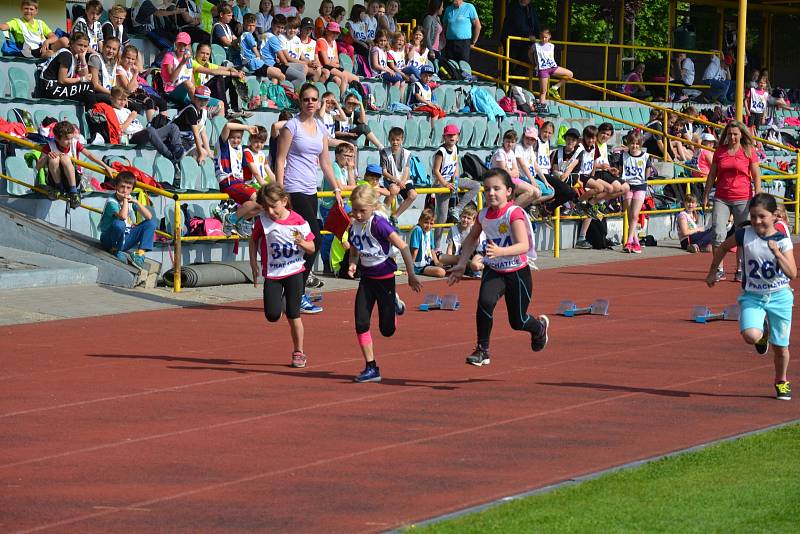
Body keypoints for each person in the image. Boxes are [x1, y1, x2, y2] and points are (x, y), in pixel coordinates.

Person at [447, 168, 548, 366]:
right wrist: (460, 264)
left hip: (517, 272)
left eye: (496, 189)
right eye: (486, 189)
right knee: (484, 302)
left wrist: (501, 251)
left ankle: (539, 328)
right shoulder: (483, 215)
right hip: (494, 269)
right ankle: (482, 350)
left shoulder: (514, 213)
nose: (491, 193)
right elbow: (471, 238)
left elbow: (523, 246)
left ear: (509, 191)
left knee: (517, 321)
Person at [706, 193, 796, 401]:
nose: (756, 221)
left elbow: (792, 273)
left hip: (780, 296)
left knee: (780, 347)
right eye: (753, 216)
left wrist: (778, 253)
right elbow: (723, 248)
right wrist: (713, 271)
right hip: (753, 296)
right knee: (750, 336)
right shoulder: (744, 234)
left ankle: (781, 381)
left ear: (774, 216)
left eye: (762, 217)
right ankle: (762, 333)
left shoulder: (781, 240)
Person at [275, 83, 345, 301]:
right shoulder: (291, 126)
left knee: (306, 241)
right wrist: (279, 191)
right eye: (306, 99)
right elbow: (280, 159)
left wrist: (335, 188)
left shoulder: (321, 127)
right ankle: (297, 293)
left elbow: (325, 161)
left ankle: (296, 291)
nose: (310, 103)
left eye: (314, 99)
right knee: (313, 236)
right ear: (300, 101)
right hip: (293, 187)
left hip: (310, 189)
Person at [347, 184, 422, 383]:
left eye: (362, 211)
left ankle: (395, 304)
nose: (358, 214)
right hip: (366, 280)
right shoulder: (353, 224)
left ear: (373, 207)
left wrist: (411, 275)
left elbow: (403, 246)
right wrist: (353, 264)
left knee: (387, 330)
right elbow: (355, 248)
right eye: (355, 210)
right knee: (361, 322)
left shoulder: (379, 224)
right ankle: (371, 367)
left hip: (385, 278)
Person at [248, 183, 316, 368]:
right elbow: (253, 240)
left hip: (294, 272)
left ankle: (299, 351)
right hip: (273, 273)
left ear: (284, 201)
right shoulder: (263, 221)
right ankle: (284, 301)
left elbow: (312, 248)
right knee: (272, 315)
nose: (270, 211)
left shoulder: (299, 221)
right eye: (266, 207)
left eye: (274, 206)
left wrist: (302, 242)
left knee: (294, 314)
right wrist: (253, 262)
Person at [702, 120, 762, 282]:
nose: (732, 137)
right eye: (729, 134)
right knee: (717, 232)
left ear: (741, 134)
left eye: (735, 134)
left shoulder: (748, 151)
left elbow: (756, 175)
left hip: (743, 197)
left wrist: (758, 196)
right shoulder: (720, 151)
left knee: (742, 235)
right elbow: (712, 174)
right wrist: (706, 194)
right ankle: (719, 268)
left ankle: (741, 269)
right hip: (721, 197)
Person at [432, 123, 481, 248]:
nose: (451, 137)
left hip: (452, 181)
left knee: (476, 185)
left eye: (453, 135)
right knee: (442, 218)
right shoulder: (441, 152)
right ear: (444, 137)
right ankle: (437, 247)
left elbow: (456, 164)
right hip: (441, 184)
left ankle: (458, 208)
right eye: (449, 135)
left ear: (458, 136)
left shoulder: (456, 148)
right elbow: (436, 171)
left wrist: (456, 179)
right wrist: (445, 183)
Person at [111, 87, 185, 163]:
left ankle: (177, 150)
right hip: (130, 138)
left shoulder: (126, 110)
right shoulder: (112, 111)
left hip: (144, 135)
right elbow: (119, 131)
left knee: (173, 127)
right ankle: (170, 156)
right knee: (150, 130)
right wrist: (131, 118)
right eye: (120, 99)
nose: (122, 102)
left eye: (124, 99)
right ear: (112, 99)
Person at [99, 171, 156, 268]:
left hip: (125, 238)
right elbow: (123, 217)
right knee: (119, 223)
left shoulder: (130, 199)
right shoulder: (111, 202)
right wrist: (125, 200)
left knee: (151, 223)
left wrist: (137, 202)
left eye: (128, 188)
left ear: (132, 189)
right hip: (108, 240)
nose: (125, 190)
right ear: (116, 186)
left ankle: (140, 254)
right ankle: (114, 250)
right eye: (122, 186)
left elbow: (149, 217)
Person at [216, 120, 263, 236]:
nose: (236, 140)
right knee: (257, 198)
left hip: (240, 184)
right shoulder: (223, 145)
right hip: (228, 182)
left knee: (264, 203)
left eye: (239, 137)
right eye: (233, 137)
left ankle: (239, 221)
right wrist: (247, 127)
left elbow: (246, 170)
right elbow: (227, 125)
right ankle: (231, 219)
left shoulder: (240, 149)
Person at [35, 32, 96, 107]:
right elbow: (62, 80)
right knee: (88, 87)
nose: (82, 48)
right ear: (72, 43)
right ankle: (92, 113)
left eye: (85, 46)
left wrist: (83, 58)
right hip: (50, 88)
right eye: (80, 45)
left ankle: (90, 113)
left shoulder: (75, 55)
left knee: (88, 90)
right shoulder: (66, 55)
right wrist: (82, 79)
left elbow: (85, 76)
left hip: (59, 87)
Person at [618, 131, 654, 253]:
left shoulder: (645, 156)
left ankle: (629, 240)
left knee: (634, 214)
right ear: (628, 144)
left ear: (640, 144)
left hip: (640, 186)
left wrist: (646, 177)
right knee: (629, 214)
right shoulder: (623, 155)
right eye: (632, 143)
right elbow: (619, 170)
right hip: (627, 185)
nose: (634, 146)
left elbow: (648, 170)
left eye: (637, 144)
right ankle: (636, 241)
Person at [0, 0, 69, 59]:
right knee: (50, 53)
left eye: (31, 9)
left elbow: (54, 37)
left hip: (44, 46)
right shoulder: (16, 22)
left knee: (65, 40)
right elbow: (3, 27)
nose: (28, 11)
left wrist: (47, 41)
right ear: (21, 9)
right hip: (30, 51)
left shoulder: (40, 23)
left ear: (36, 11)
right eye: (26, 8)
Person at [380, 127, 418, 223]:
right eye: (393, 139)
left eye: (397, 140)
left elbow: (407, 170)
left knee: (413, 194)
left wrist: (402, 182)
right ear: (389, 139)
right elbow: (384, 172)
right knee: (393, 189)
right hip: (390, 179)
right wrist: (397, 181)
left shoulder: (407, 153)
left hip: (403, 180)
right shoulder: (384, 152)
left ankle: (395, 215)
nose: (395, 142)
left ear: (402, 140)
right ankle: (382, 213)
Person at [494, 128, 537, 210]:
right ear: (503, 141)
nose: (510, 144)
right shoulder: (500, 152)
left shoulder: (511, 153)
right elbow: (503, 172)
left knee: (537, 193)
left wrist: (510, 172)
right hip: (501, 179)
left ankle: (513, 209)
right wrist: (511, 172)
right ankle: (508, 211)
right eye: (508, 141)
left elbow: (516, 172)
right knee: (529, 191)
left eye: (512, 142)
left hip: (512, 178)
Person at [528, 28, 572, 106]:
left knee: (570, 74)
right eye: (542, 37)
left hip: (552, 67)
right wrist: (533, 62)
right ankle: (542, 106)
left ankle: (555, 88)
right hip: (543, 69)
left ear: (549, 37)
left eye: (546, 37)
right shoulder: (536, 45)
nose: (544, 39)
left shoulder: (552, 46)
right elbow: (530, 53)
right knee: (543, 91)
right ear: (540, 37)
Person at [439, 204, 484, 276]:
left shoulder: (474, 229)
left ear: (473, 220)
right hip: (457, 258)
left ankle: (475, 267)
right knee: (442, 258)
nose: (465, 220)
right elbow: (450, 248)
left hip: (471, 257)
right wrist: (449, 260)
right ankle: (468, 267)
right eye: (464, 217)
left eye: (469, 218)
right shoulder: (453, 229)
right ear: (460, 216)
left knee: (475, 264)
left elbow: (478, 250)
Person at [316, 22, 359, 95]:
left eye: (337, 33)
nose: (334, 35)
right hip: (325, 67)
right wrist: (333, 62)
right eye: (333, 32)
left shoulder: (334, 42)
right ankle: (342, 99)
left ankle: (352, 97)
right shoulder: (321, 41)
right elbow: (326, 62)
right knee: (343, 77)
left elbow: (337, 61)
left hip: (334, 67)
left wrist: (333, 62)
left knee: (356, 78)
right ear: (327, 31)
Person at [501, 0, 539, 75]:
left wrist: (538, 36)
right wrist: (528, 34)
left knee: (526, 61)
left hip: (525, 42)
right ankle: (505, 84)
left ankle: (513, 83)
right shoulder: (513, 6)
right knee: (509, 63)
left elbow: (535, 23)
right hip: (512, 41)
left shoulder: (531, 7)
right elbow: (518, 22)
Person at [408, 209, 446, 278]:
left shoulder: (430, 231)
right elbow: (414, 251)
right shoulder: (417, 230)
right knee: (441, 272)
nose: (428, 226)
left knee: (454, 260)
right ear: (420, 221)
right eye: (426, 222)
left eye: (431, 223)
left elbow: (432, 249)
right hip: (419, 265)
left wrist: (437, 262)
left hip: (428, 260)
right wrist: (410, 268)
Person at [87, 36, 120, 104]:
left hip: (109, 93)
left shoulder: (114, 62)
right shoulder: (95, 59)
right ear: (103, 46)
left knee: (131, 104)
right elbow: (94, 85)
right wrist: (113, 94)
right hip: (97, 94)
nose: (110, 51)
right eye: (108, 47)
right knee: (118, 102)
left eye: (114, 49)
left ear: (117, 51)